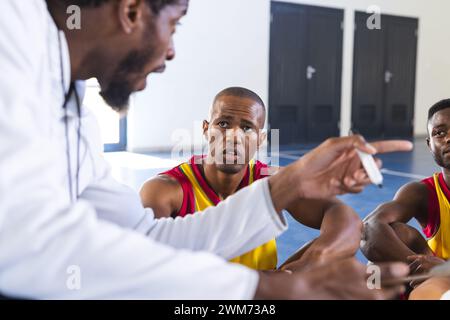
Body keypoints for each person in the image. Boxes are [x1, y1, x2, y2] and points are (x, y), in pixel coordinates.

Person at [0, 0, 412, 299]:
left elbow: (144, 237)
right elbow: (30, 244)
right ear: (131, 11)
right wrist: (266, 288)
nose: (171, 52)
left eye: (247, 127)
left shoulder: (70, 103)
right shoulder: (12, 39)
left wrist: (291, 182)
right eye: (175, 24)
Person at [141, 86, 363, 272]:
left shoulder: (271, 180)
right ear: (206, 129)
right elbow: (148, 272)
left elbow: (346, 220)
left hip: (263, 297)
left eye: (247, 128)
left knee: (335, 249)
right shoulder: (165, 190)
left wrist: (300, 270)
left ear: (260, 139)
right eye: (224, 124)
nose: (234, 137)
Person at [362, 99, 450, 299]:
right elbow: (368, 230)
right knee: (381, 256)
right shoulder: (422, 192)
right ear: (429, 144)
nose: (448, 138)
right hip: (434, 283)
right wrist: (428, 272)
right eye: (439, 132)